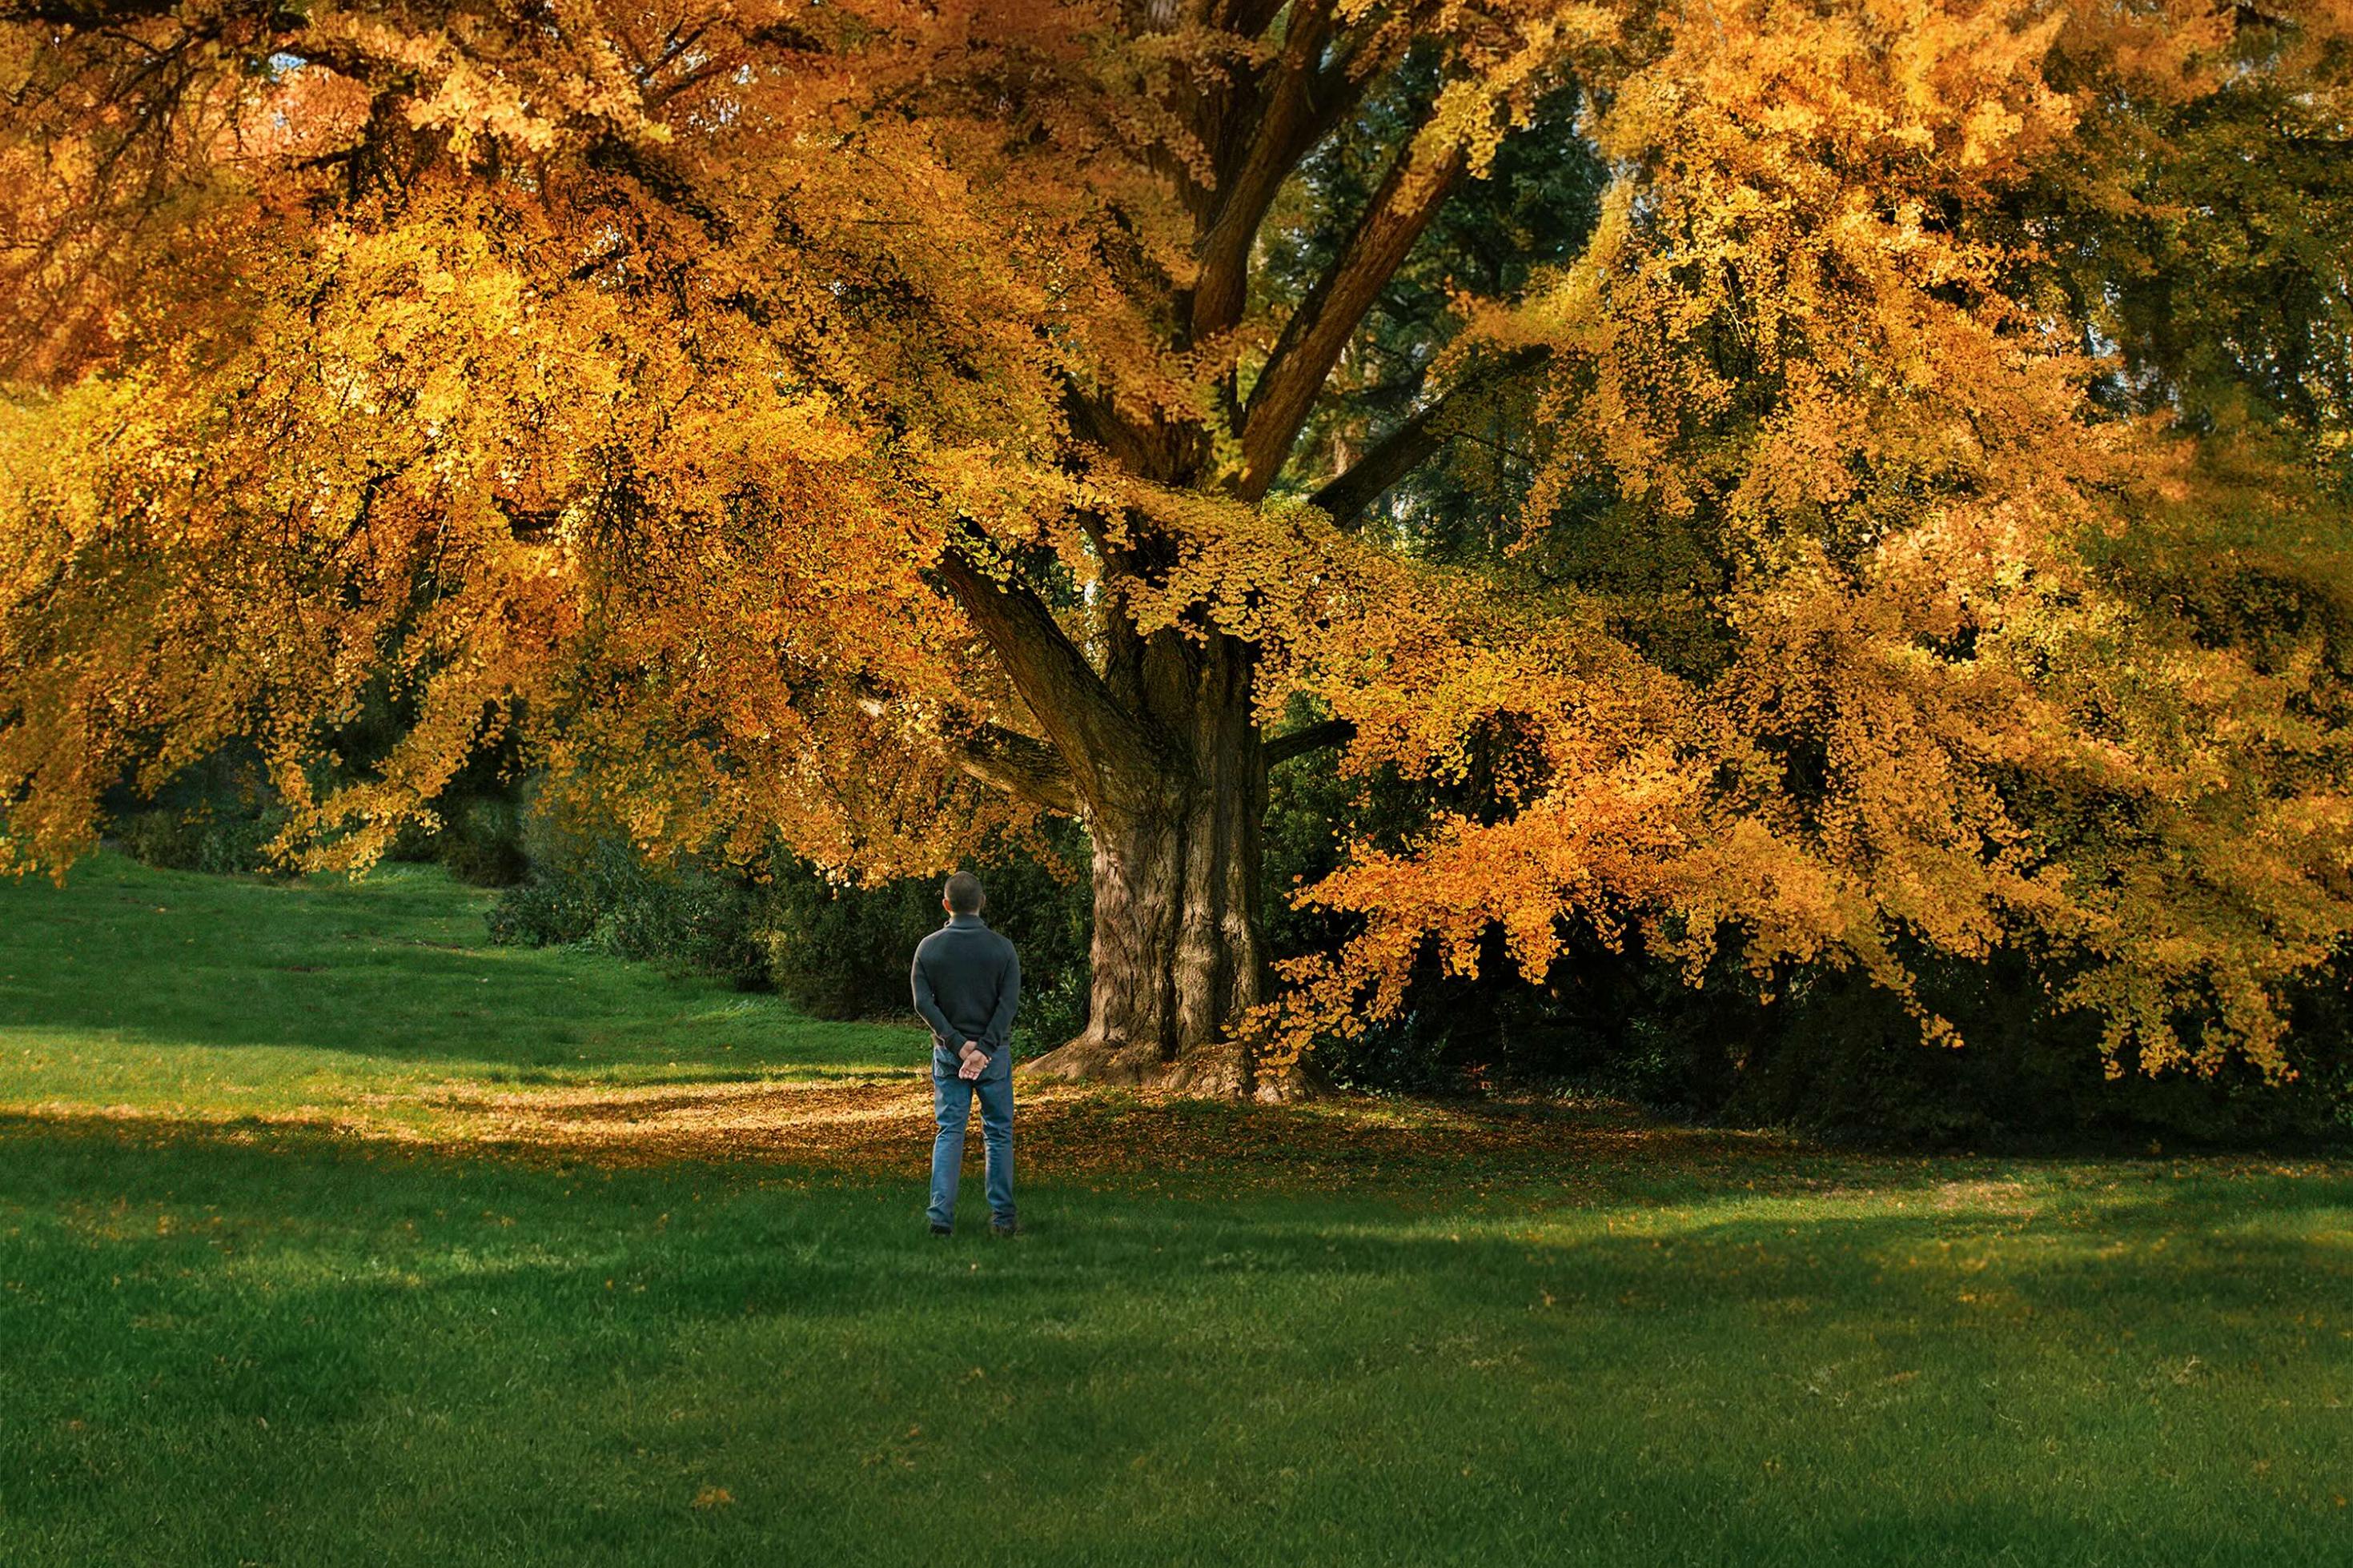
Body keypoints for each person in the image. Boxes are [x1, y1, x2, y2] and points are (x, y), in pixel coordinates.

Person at [909, 869, 1022, 1237]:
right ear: (982, 903)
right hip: (995, 1056)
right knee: (999, 1133)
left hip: (948, 1056)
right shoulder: (1003, 948)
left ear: (946, 904)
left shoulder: (928, 948)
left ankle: (940, 1217)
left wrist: (958, 1045)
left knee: (949, 1132)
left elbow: (923, 1003)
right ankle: (1003, 1219)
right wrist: (984, 1049)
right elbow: (1008, 1005)